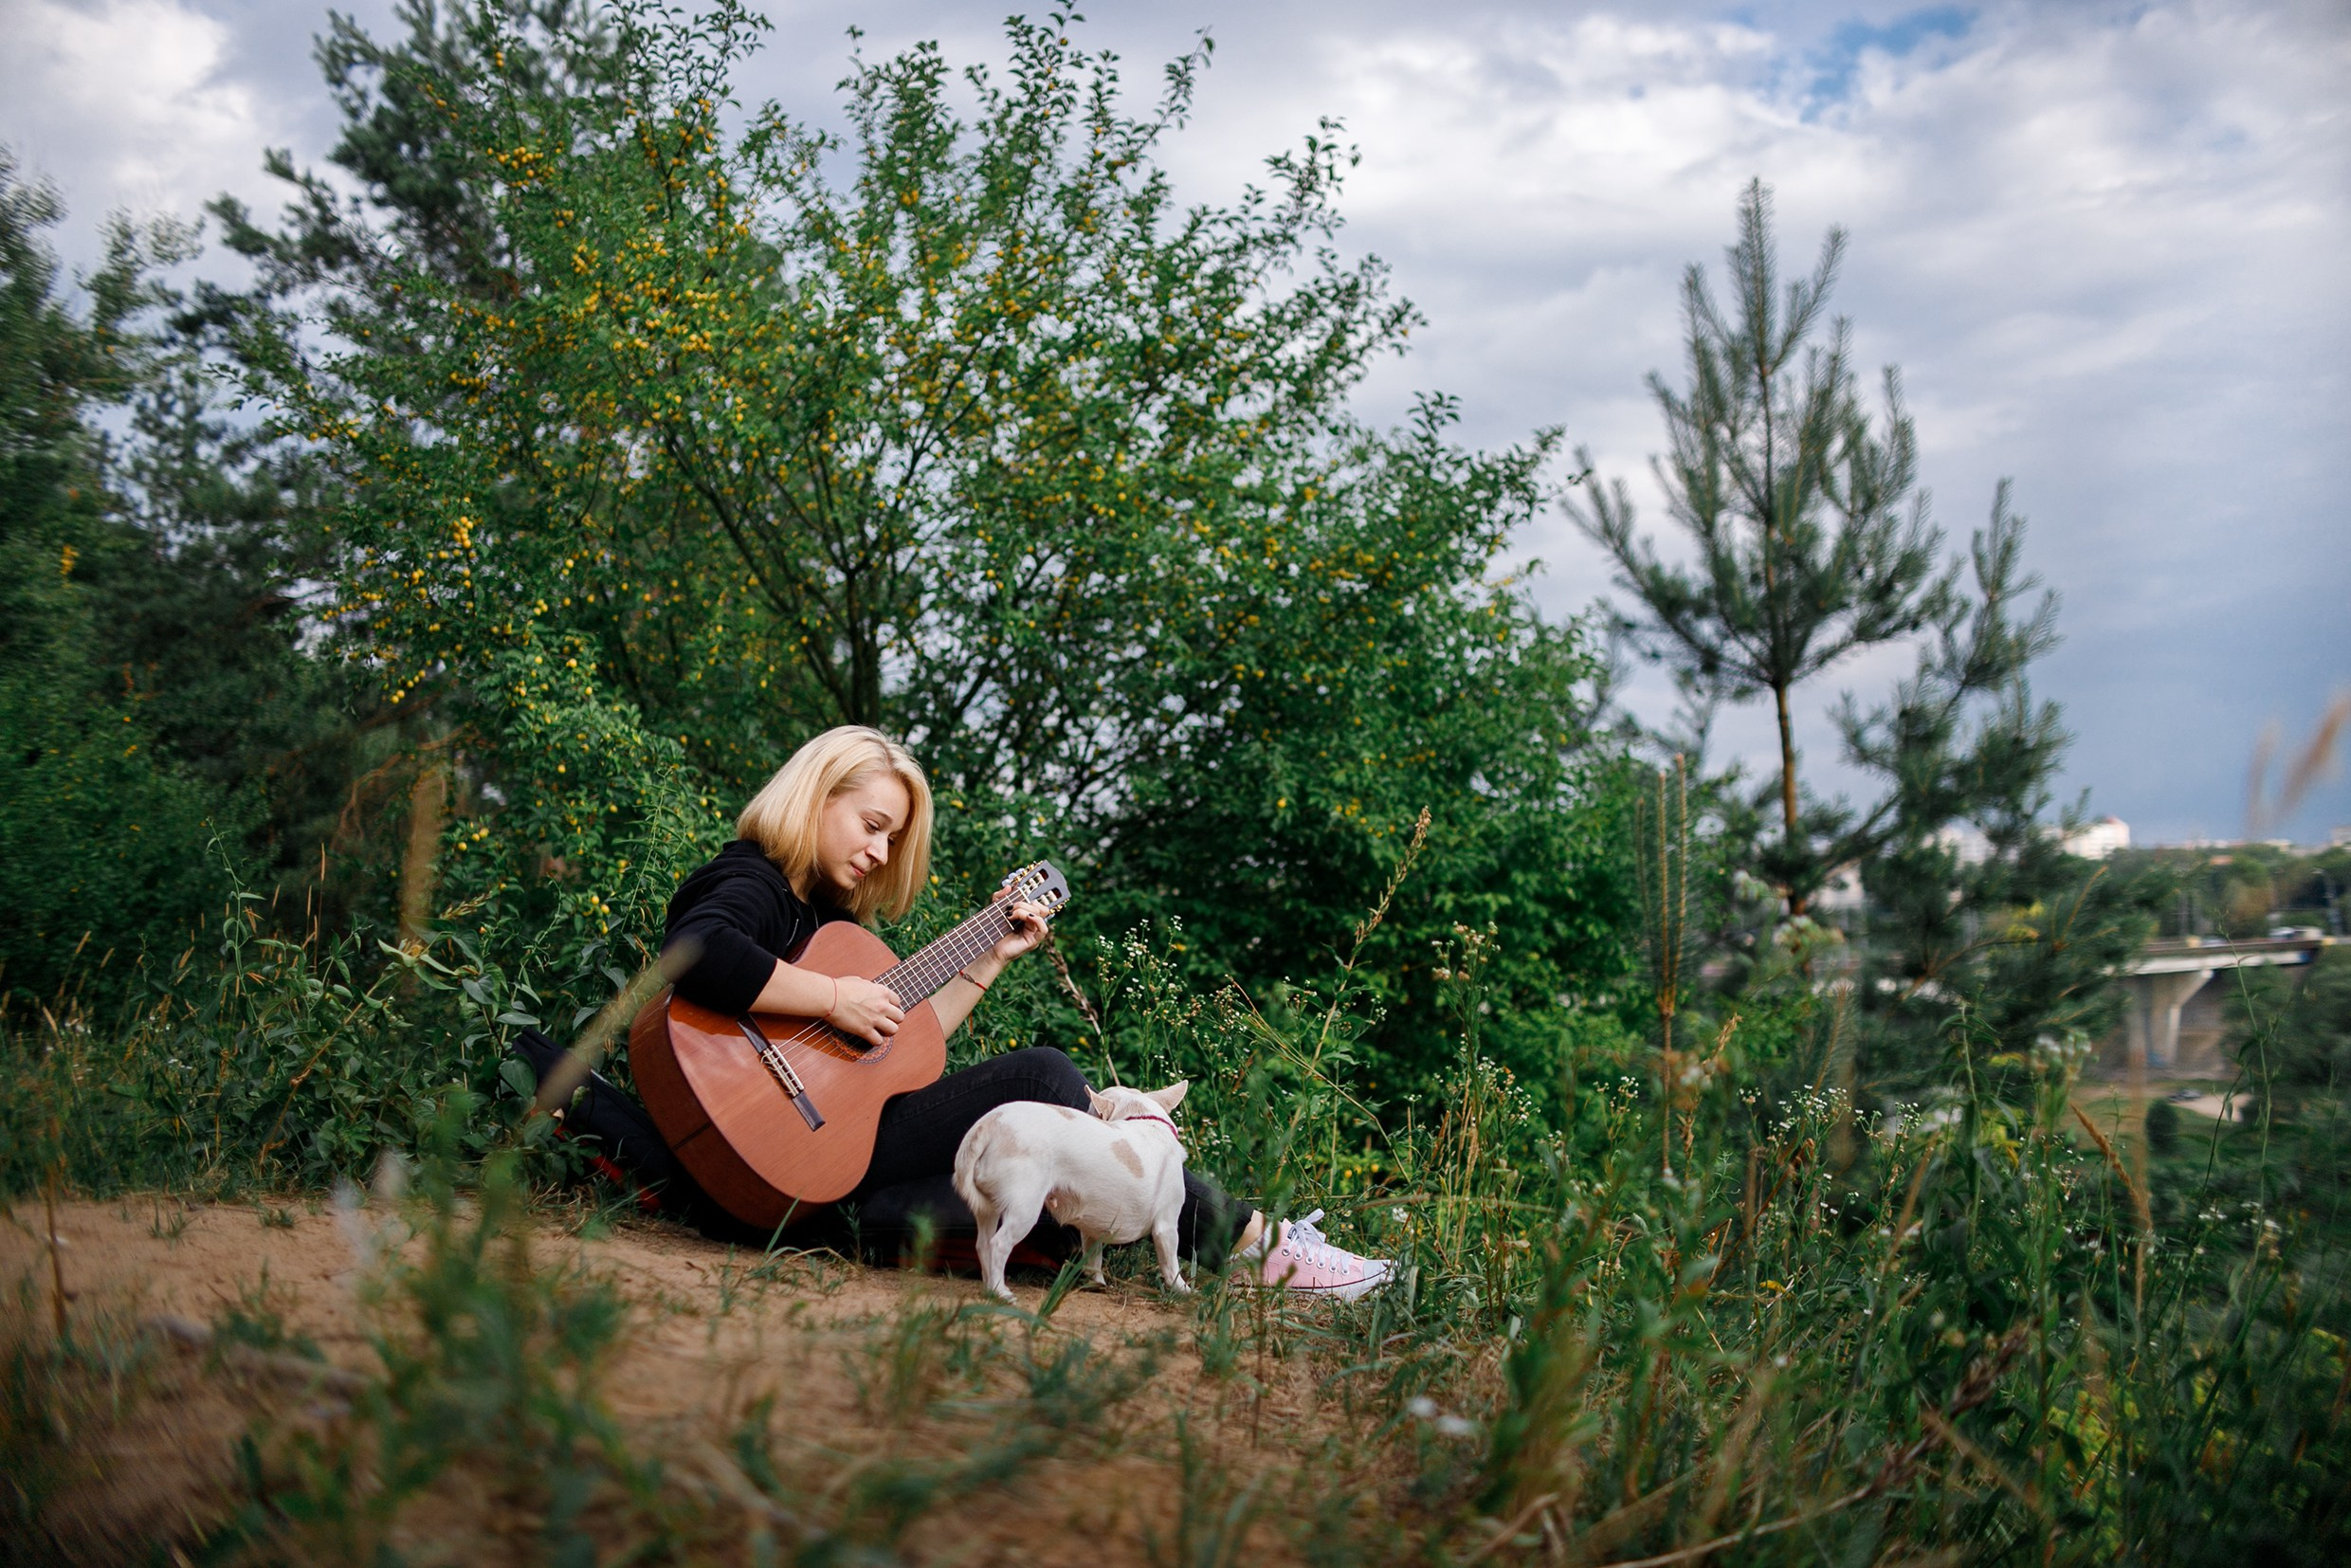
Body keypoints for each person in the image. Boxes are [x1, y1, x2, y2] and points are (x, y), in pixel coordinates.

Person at [659, 723, 1392, 1299]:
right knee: (1044, 1076)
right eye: (873, 824)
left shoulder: (821, 917)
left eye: (893, 838)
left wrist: (986, 961)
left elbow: (895, 1050)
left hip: (822, 1164)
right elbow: (699, 949)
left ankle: (1229, 1243)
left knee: (1025, 1194)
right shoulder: (753, 880)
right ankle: (1255, 1247)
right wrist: (835, 996)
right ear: (816, 794)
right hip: (788, 1154)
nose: (882, 852)